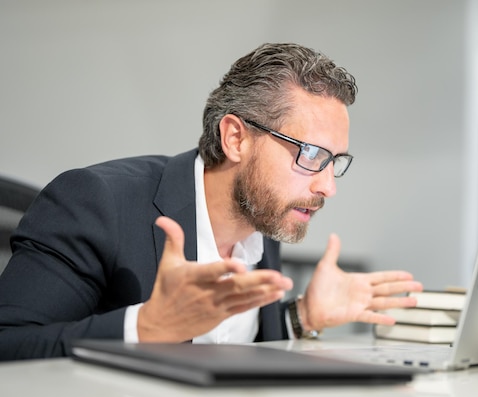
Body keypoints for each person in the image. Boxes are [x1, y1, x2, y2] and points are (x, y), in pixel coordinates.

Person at [0, 43, 422, 360]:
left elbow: (232, 347)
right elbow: (9, 343)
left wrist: (302, 317)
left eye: (335, 161)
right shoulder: (96, 202)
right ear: (235, 137)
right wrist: (146, 327)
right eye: (311, 155)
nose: (328, 187)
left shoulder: (261, 216)